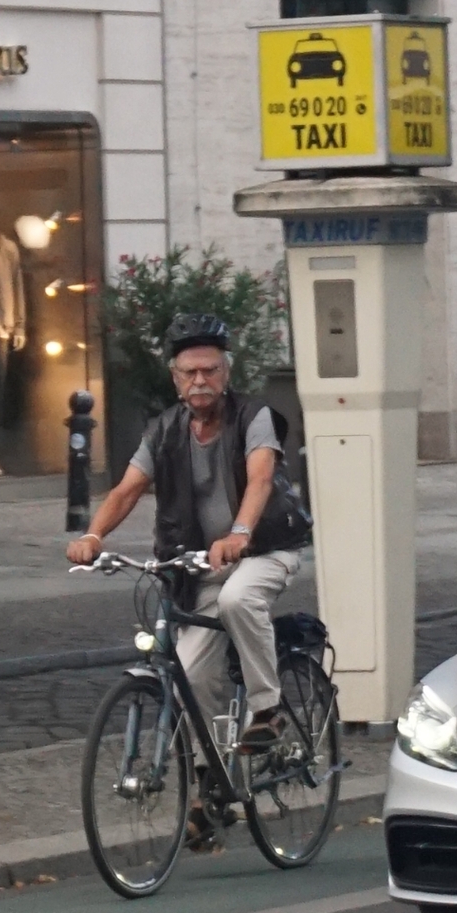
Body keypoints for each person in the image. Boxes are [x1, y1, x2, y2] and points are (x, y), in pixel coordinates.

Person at [68, 313, 311, 757]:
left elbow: (259, 479)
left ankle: (267, 710)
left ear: (226, 372)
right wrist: (94, 536)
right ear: (176, 379)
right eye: (190, 372)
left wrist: (240, 532)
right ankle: (209, 785)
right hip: (201, 565)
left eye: (210, 370)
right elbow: (126, 490)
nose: (200, 380)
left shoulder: (253, 417)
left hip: (266, 548)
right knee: (191, 679)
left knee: (239, 599)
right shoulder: (162, 431)